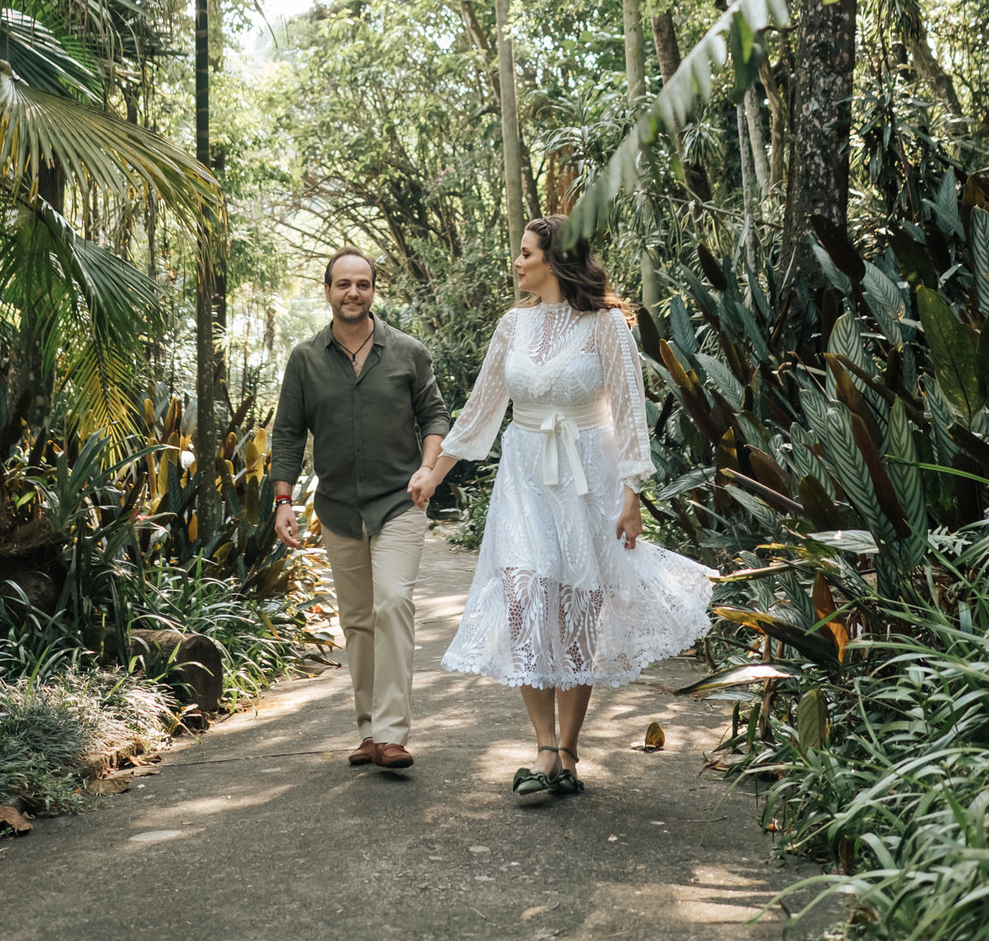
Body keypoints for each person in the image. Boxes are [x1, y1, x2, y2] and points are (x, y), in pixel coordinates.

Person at [407, 215, 713, 798]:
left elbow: (630, 412)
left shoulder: (606, 324)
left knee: (577, 610)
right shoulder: (512, 325)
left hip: (588, 477)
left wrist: (632, 496)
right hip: (524, 476)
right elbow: (480, 410)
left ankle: (568, 754)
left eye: (526, 253)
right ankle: (543, 746)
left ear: (555, 259)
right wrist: (433, 472)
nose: (517, 261)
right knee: (522, 597)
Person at [271, 247, 451, 771]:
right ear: (328, 290)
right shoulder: (305, 359)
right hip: (339, 509)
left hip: (399, 501)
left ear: (373, 290)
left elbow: (435, 416)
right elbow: (287, 433)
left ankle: (392, 734)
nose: (354, 292)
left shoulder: (408, 352)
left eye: (363, 284)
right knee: (356, 621)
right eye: (344, 284)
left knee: (392, 602)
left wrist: (428, 468)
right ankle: (369, 731)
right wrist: (283, 500)